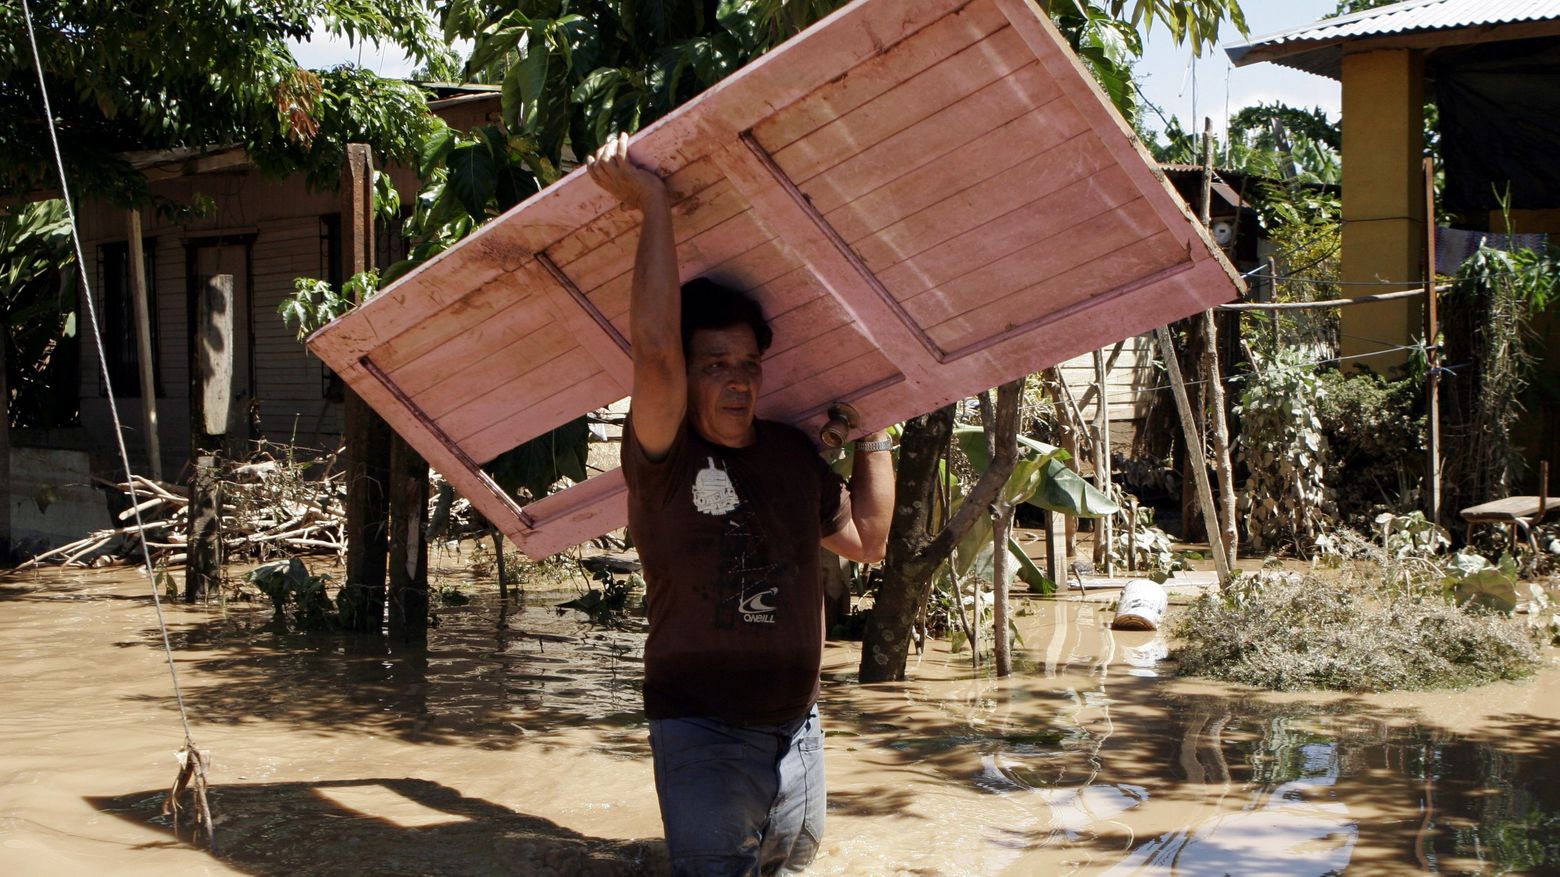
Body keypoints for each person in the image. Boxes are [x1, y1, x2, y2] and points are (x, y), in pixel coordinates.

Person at [586, 131, 895, 876]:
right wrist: (651, 203)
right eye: (715, 365)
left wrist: (881, 419)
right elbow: (654, 348)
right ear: (686, 379)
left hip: (801, 730)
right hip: (702, 729)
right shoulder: (665, 455)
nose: (737, 381)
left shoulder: (792, 454)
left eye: (749, 365)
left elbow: (869, 540)